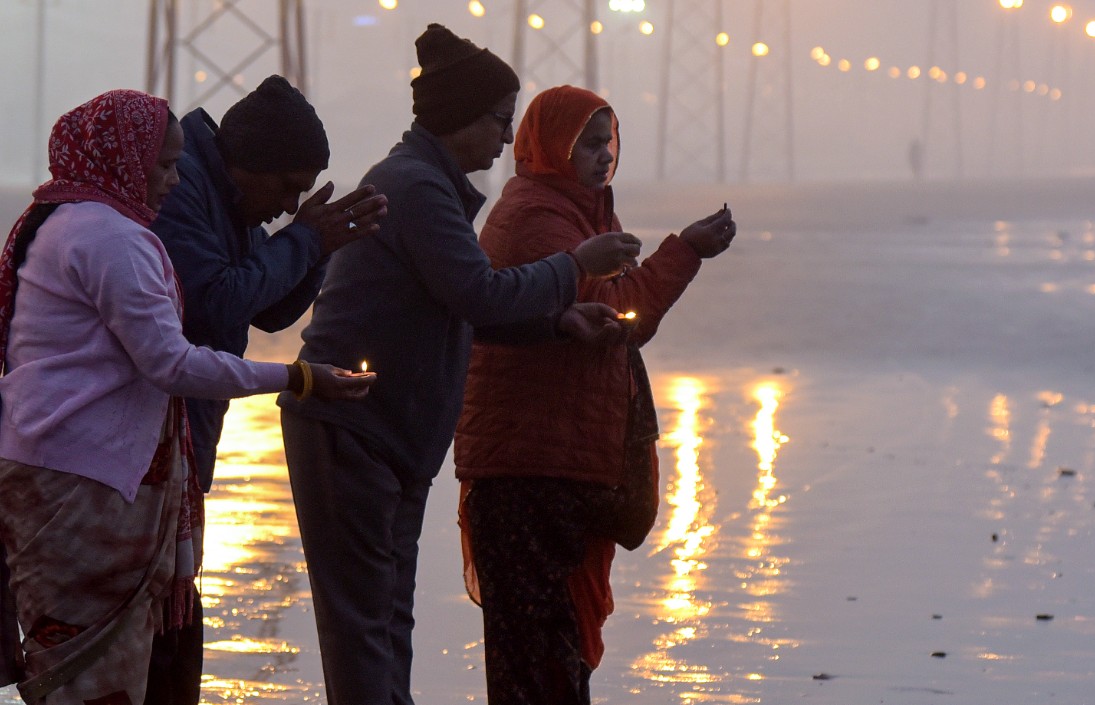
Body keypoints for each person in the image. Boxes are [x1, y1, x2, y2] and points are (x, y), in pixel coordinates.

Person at [277, 24, 641, 705]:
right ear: (458, 120)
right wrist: (575, 268)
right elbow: (477, 291)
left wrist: (555, 320)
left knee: (390, 616)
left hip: (392, 438)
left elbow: (462, 305)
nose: (507, 140)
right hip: (350, 428)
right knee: (364, 623)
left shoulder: (428, 184)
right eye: (501, 122)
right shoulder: (414, 187)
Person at [0, 89, 374, 705]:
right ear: (124, 160)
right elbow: (180, 349)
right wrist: (301, 377)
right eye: (163, 166)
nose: (174, 180)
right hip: (85, 478)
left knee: (118, 664)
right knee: (93, 673)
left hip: (96, 471)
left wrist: (315, 247)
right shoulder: (112, 236)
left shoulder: (93, 222)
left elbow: (259, 307)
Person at [454, 84, 736, 705]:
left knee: (552, 655)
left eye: (608, 141)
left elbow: (620, 320)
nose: (602, 154)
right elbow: (615, 318)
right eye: (586, 143)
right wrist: (685, 251)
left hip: (553, 459)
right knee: (541, 659)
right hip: (529, 467)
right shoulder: (536, 218)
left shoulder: (582, 212)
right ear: (550, 146)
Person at [146, 74, 387, 704]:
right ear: (242, 163)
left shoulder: (225, 192)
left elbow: (269, 311)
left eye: (301, 194)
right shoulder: (183, 188)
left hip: (187, 429)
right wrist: (305, 239)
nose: (286, 204)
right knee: (150, 618)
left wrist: (322, 248)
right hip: (147, 438)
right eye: (284, 187)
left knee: (171, 610)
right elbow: (213, 304)